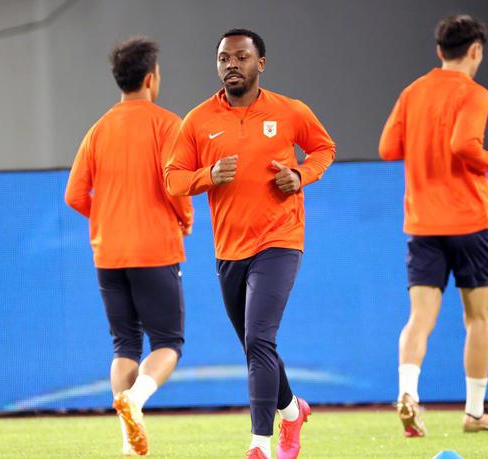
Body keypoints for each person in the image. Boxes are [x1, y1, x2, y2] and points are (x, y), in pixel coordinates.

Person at [165, 28, 335, 459]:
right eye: (224, 58)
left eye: (240, 57)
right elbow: (172, 179)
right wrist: (207, 176)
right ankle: (293, 411)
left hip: (280, 239)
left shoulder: (290, 111)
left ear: (260, 64)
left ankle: (260, 444)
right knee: (255, 344)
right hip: (229, 250)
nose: (231, 65)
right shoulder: (198, 120)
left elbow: (323, 148)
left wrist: (300, 175)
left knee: (259, 337)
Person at [379, 14, 488, 437]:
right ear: (476, 50)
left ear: (439, 51)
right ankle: (474, 412)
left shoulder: (413, 91)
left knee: (420, 317)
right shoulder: (476, 93)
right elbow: (464, 145)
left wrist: (424, 150)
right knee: (477, 318)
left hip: (423, 223)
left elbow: (387, 148)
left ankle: (408, 393)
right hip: (470, 221)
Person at [65, 36, 192, 456]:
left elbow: (74, 195)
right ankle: (135, 400)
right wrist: (185, 219)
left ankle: (128, 443)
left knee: (124, 346)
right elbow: (176, 185)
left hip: (109, 254)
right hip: (154, 249)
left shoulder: (98, 129)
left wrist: (107, 218)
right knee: (168, 343)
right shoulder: (167, 124)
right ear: (151, 78)